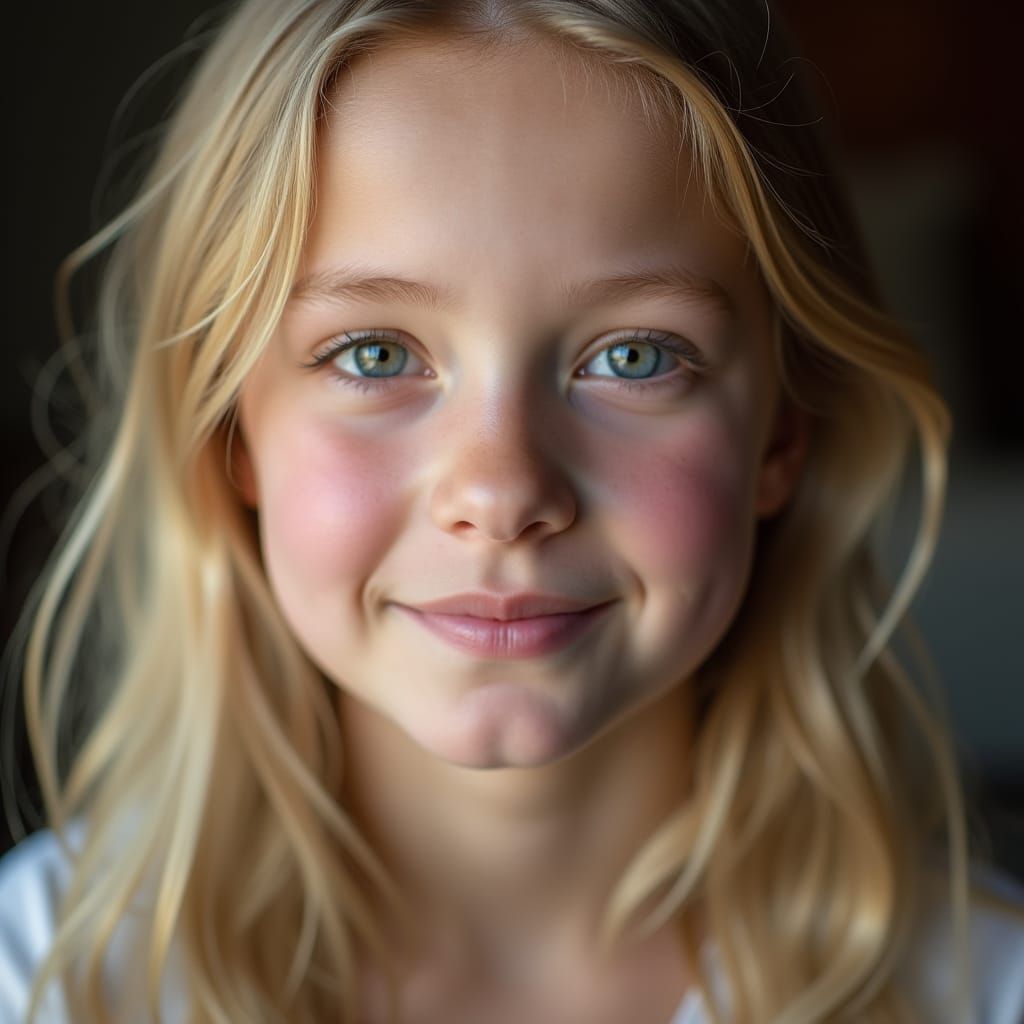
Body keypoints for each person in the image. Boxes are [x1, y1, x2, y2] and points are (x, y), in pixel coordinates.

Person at [1, 0, 1022, 1021]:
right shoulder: (45, 970)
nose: (500, 493)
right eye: (375, 355)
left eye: (633, 356)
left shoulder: (982, 989)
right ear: (233, 437)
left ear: (781, 436)